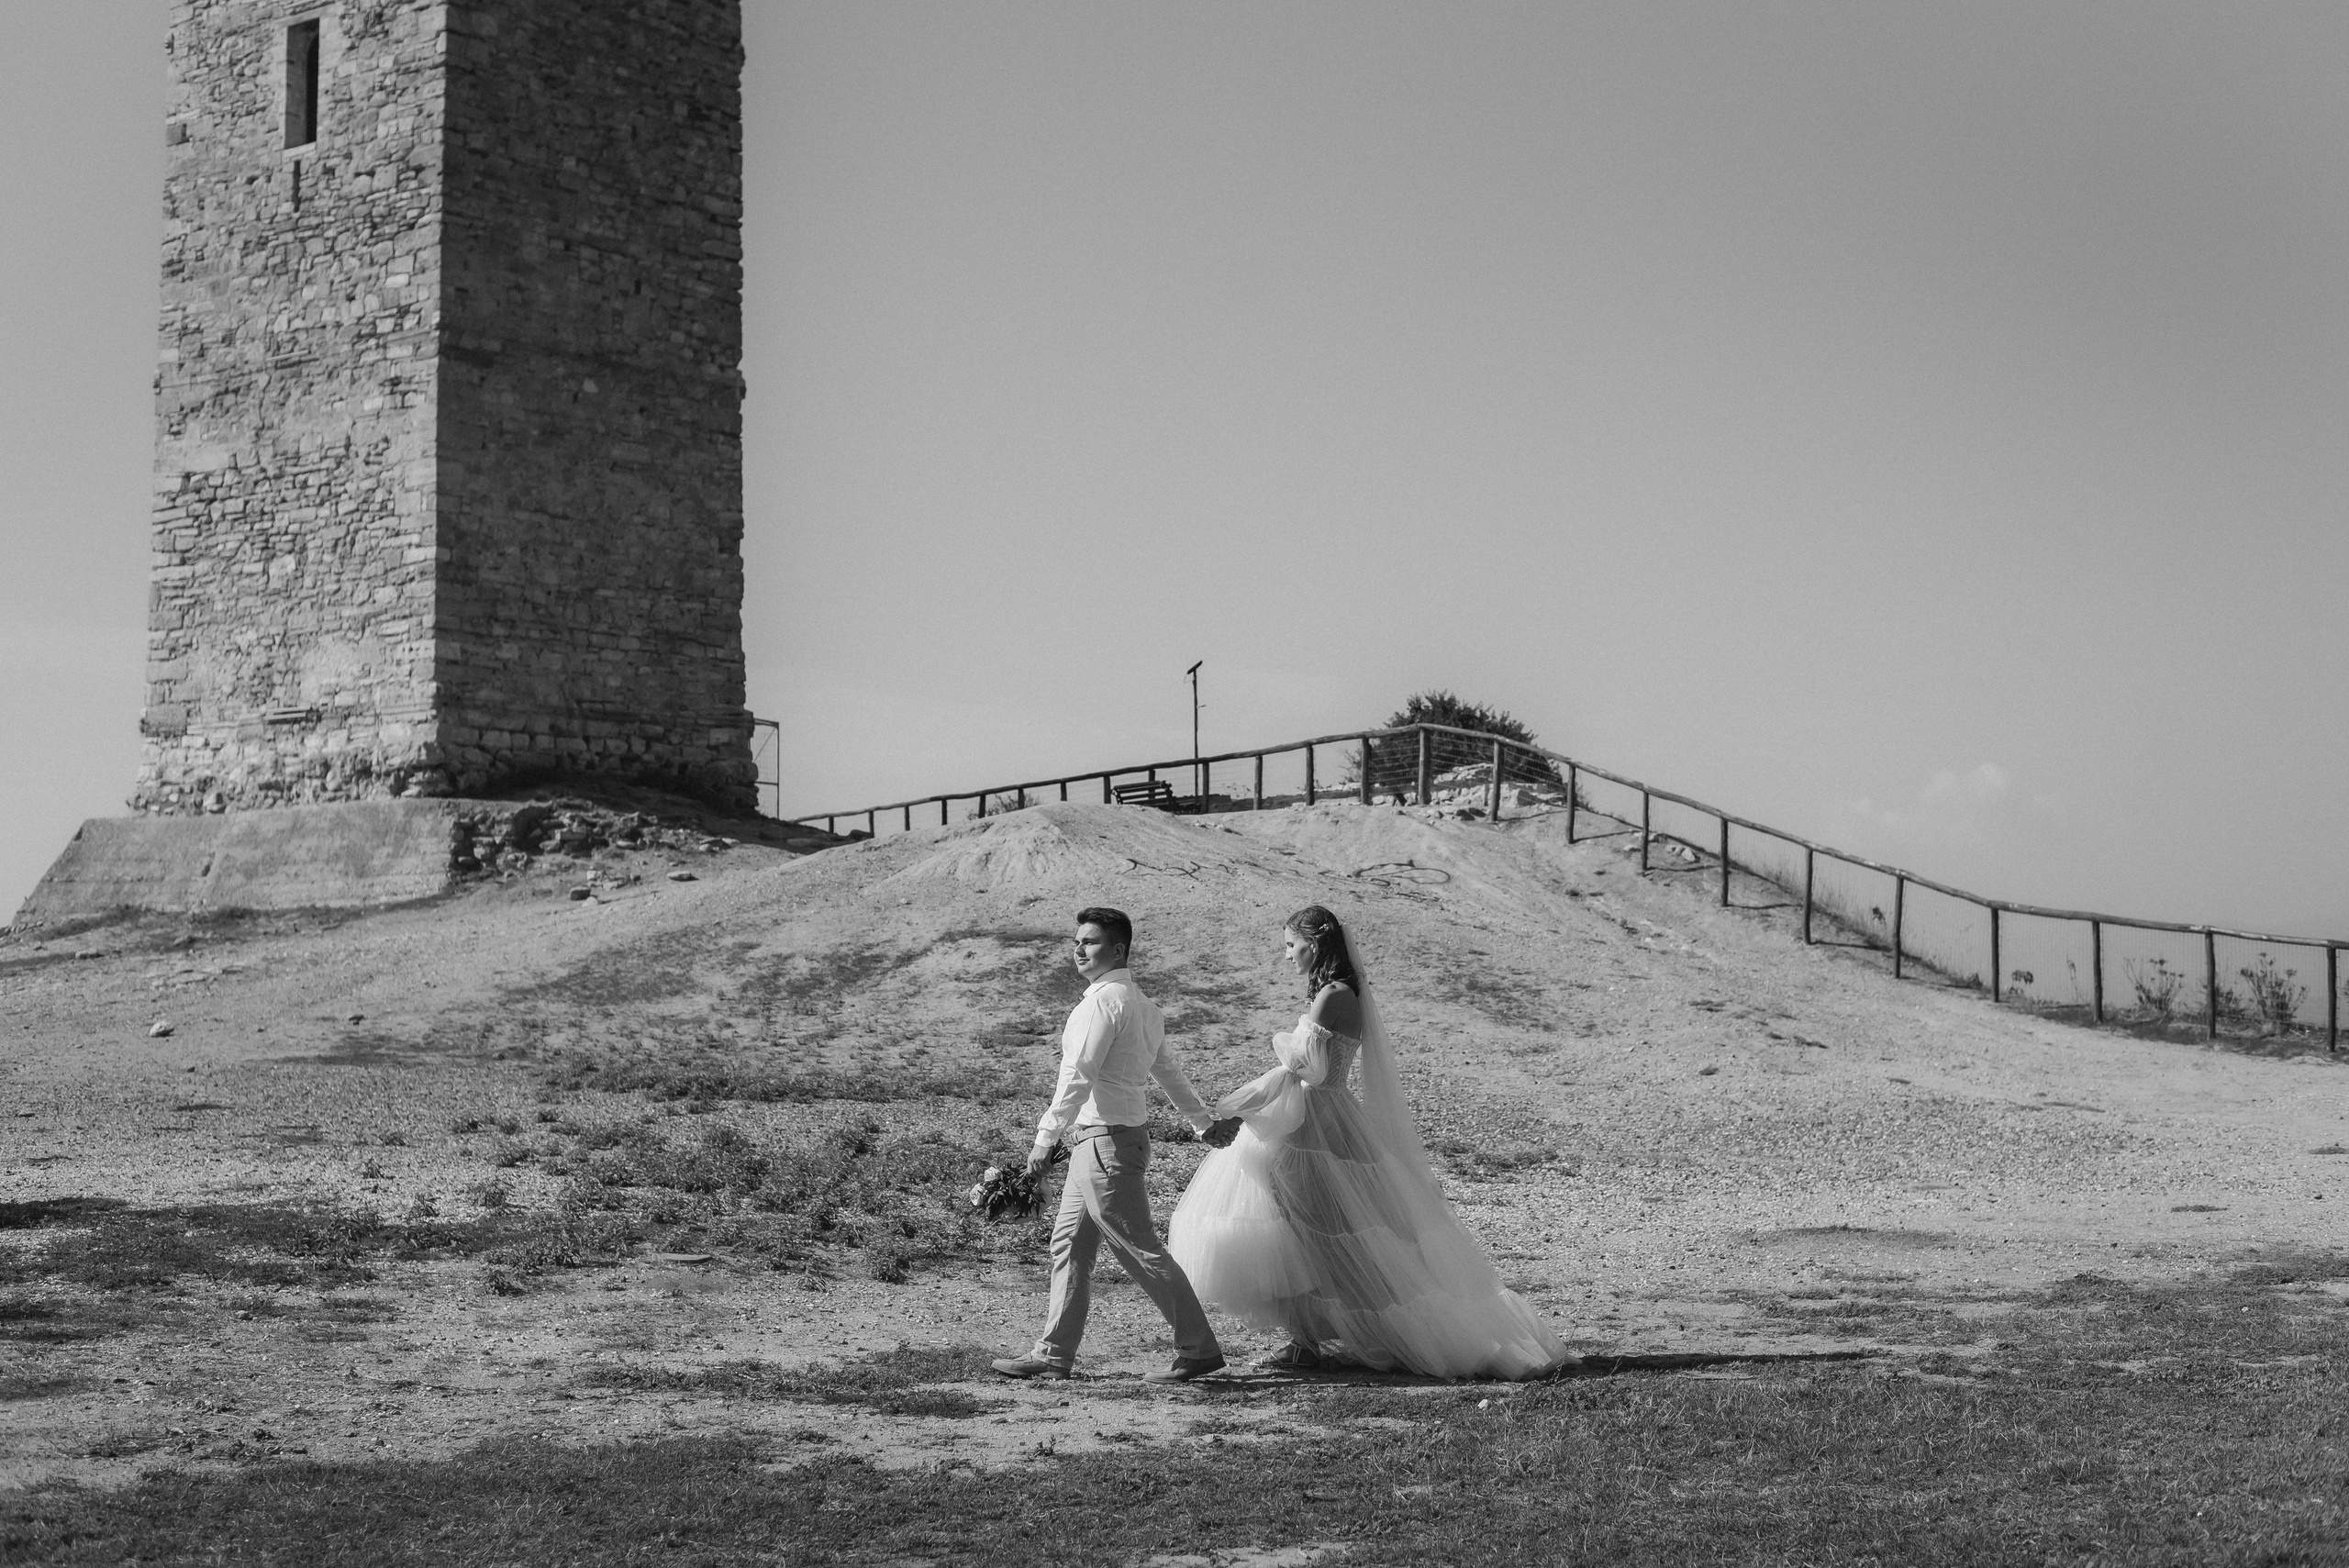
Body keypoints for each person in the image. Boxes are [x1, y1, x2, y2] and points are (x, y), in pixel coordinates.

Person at [1167, 905, 1568, 1379]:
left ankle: (1337, 1336)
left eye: (1290, 945)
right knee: (1304, 1224)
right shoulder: (1342, 992)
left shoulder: (1332, 996)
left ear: (1314, 945)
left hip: (1316, 1121)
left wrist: (1237, 1104)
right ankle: (1306, 1338)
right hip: (1326, 1116)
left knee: (1317, 1226)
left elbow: (1303, 1071)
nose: (1286, 956)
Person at [992, 906, 1240, 1385]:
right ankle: (1052, 1354)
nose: (1078, 949)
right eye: (1076, 942)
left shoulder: (1101, 1004)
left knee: (1139, 1248)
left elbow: (1077, 1075)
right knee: (1068, 1244)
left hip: (1104, 1144)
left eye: (1090, 942)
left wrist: (1046, 1138)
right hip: (1108, 1142)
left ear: (1119, 949)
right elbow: (1166, 1069)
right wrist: (1201, 1122)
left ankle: (1199, 1348)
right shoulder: (1142, 1005)